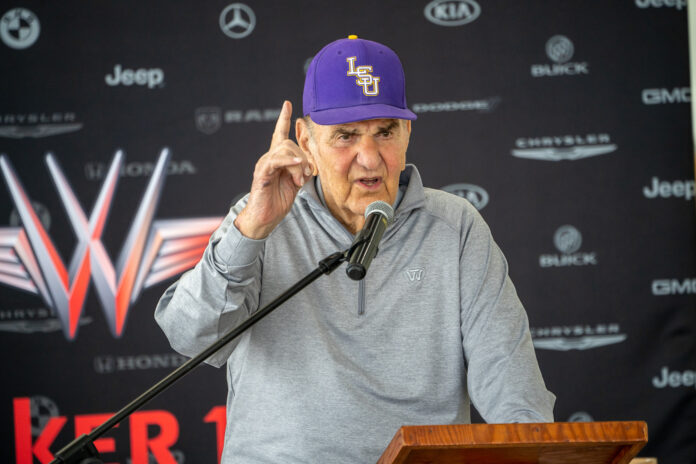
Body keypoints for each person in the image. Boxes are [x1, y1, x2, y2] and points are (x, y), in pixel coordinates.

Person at [155, 35, 555, 464]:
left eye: (385, 132)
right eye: (346, 136)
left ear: (407, 134)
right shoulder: (258, 220)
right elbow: (191, 339)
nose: (370, 158)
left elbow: (515, 393)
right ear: (305, 142)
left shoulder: (455, 228)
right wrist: (250, 229)